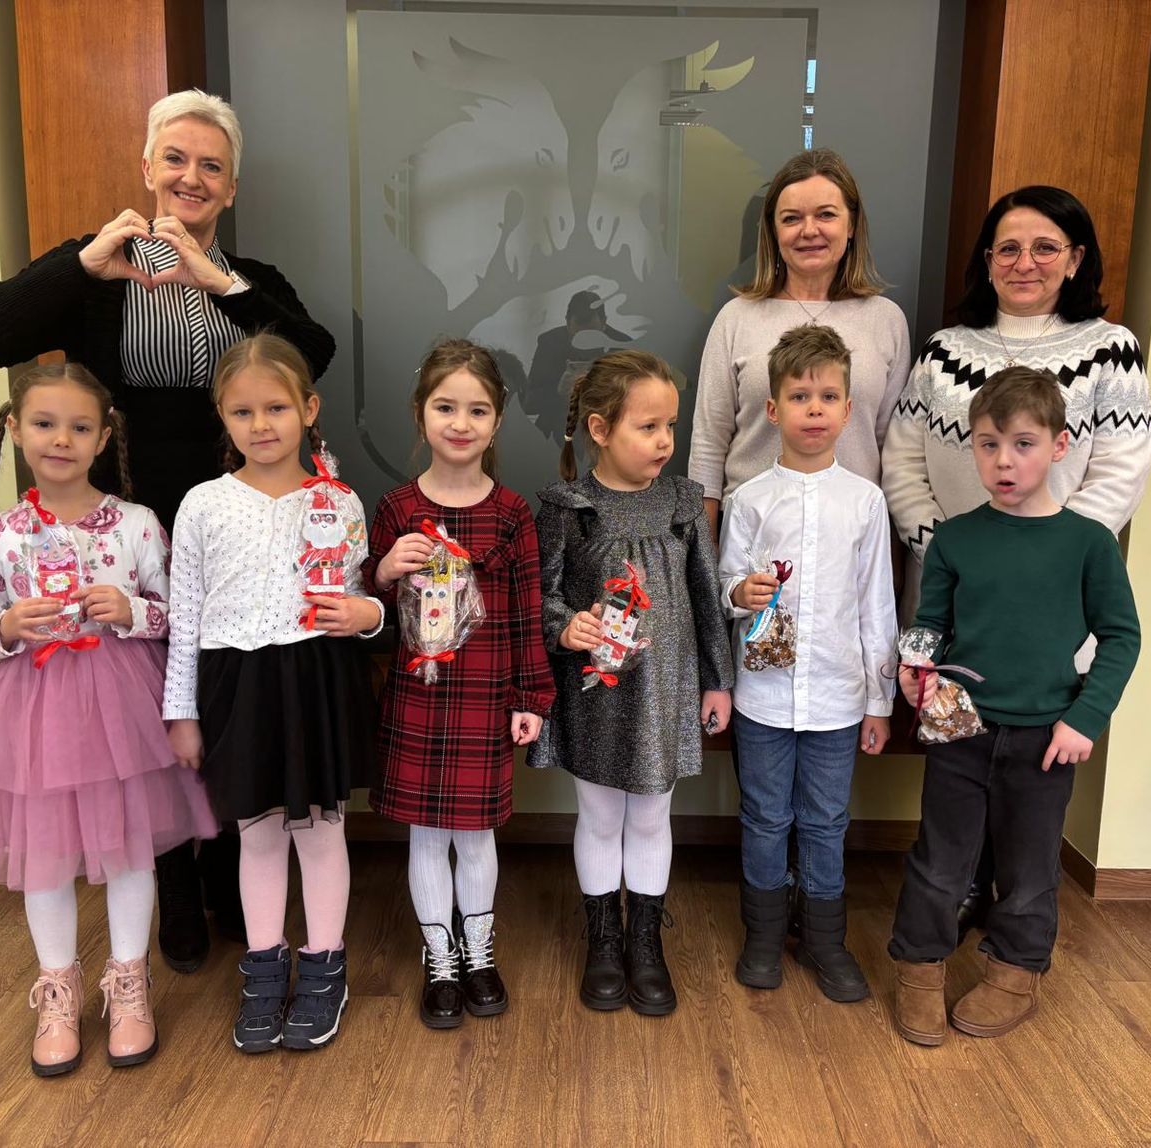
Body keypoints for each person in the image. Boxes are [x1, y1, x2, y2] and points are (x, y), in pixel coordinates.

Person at [0, 89, 336, 972]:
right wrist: (83, 264)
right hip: (124, 512)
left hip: (236, 511)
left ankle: (233, 873)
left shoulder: (250, 279)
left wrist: (221, 285)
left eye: (211, 166)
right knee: (145, 705)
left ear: (231, 188)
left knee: (227, 685)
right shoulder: (96, 272)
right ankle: (176, 888)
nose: (191, 177)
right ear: (148, 168)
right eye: (176, 158)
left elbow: (309, 357)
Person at [881, 185, 1151, 931]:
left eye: (1044, 247)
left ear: (1075, 259)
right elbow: (902, 460)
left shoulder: (1110, 348)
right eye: (1007, 247)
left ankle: (1014, 912)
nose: (1024, 262)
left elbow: (1122, 469)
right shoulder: (944, 350)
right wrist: (954, 551)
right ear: (987, 259)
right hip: (957, 583)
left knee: (1030, 762)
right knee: (960, 755)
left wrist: (1044, 553)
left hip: (1053, 596)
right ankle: (958, 892)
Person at [0, 363, 217, 1076]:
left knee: (128, 849)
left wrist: (132, 611)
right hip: (36, 715)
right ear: (15, 429)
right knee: (46, 854)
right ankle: (58, 992)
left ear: (103, 438)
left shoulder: (136, 525)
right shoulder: (1, 534)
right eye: (44, 423)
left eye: (79, 426)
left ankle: (129, 986)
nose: (61, 439)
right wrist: (6, 628)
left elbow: (180, 616)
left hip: (121, 709)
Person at [887, 367, 1140, 1047]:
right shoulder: (956, 539)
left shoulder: (1088, 544)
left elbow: (1122, 636)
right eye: (989, 444)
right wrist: (916, 668)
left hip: (1046, 739)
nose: (1004, 461)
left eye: (1023, 444)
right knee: (940, 859)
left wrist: (1085, 718)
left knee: (1029, 867)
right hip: (960, 731)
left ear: (1059, 445)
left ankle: (1015, 973)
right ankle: (919, 968)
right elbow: (929, 623)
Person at [162, 333, 383, 1054]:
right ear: (222, 419)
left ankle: (324, 967)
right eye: (242, 412)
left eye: (277, 408)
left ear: (308, 409)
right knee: (255, 833)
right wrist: (181, 711)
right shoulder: (202, 504)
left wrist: (368, 614)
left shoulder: (339, 501)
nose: (261, 425)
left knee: (320, 830)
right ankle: (264, 968)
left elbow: (359, 591)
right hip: (236, 684)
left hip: (315, 678)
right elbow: (186, 616)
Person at [530, 350, 734, 1017]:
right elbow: (540, 596)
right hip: (595, 697)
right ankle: (604, 939)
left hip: (664, 693)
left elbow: (705, 595)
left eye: (669, 425)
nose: (664, 441)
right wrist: (565, 627)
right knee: (599, 816)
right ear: (600, 429)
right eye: (648, 427)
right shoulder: (567, 506)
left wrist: (718, 680)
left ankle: (646, 940)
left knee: (651, 817)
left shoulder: (681, 503)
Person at [365, 340, 556, 1029]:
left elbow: (528, 614)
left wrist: (532, 698)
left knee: (476, 837)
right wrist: (385, 569)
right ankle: (439, 959)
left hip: (486, 695)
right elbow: (368, 612)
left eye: (477, 410)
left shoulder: (512, 514)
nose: (461, 422)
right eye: (445, 407)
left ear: (497, 422)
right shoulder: (395, 508)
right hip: (419, 695)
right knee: (425, 836)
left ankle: (478, 956)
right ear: (421, 415)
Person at [717, 326, 896, 1002]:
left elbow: (876, 605)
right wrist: (741, 592)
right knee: (765, 817)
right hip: (763, 697)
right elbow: (725, 583)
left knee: (825, 821)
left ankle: (825, 939)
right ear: (773, 410)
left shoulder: (865, 501)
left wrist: (878, 702)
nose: (813, 408)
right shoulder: (750, 500)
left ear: (848, 410)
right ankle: (763, 935)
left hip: (837, 700)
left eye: (827, 396)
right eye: (799, 396)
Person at [689, 148, 911, 537]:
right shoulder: (736, 318)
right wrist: (707, 556)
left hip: (851, 539)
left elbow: (892, 454)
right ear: (773, 231)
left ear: (851, 225)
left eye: (826, 214)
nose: (809, 230)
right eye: (791, 218)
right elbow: (708, 446)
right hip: (752, 542)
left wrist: (888, 553)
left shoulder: (886, 321)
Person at [524, 291, 632, 437]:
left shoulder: (622, 348)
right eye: (579, 339)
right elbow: (530, 404)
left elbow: (636, 402)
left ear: (604, 324)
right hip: (559, 426)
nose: (585, 345)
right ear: (567, 325)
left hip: (607, 426)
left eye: (592, 338)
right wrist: (559, 391)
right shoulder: (550, 344)